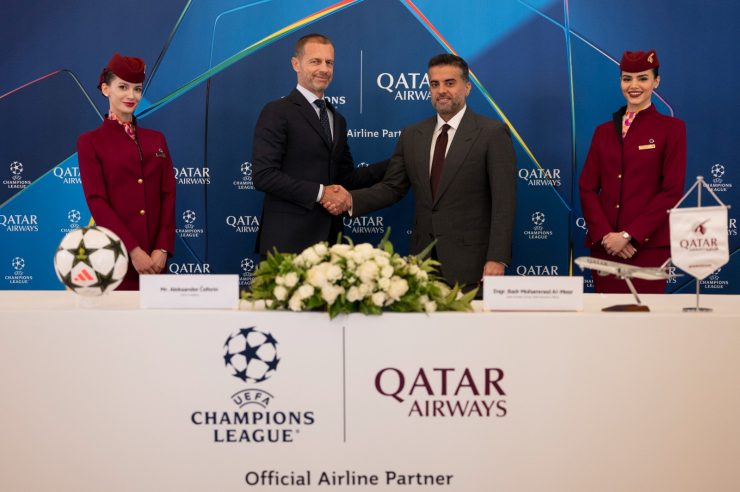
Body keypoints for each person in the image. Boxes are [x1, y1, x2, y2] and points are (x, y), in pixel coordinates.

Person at [322, 54, 517, 290]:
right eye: (434, 84)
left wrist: (497, 258)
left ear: (467, 87)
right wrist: (350, 200)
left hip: (472, 265)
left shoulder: (492, 133)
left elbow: (504, 202)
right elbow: (392, 187)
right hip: (422, 263)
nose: (441, 90)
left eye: (449, 83)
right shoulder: (413, 135)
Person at [252, 33, 387, 256]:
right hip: (287, 243)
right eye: (315, 61)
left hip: (331, 242)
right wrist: (321, 193)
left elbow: (346, 179)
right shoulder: (277, 111)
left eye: (329, 62)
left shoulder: (337, 119)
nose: (324, 69)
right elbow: (263, 175)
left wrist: (399, 161)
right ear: (296, 64)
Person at [579, 50, 686, 293]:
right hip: (606, 249)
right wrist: (606, 235)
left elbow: (671, 191)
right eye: (627, 79)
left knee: (646, 315)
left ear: (656, 82)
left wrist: (629, 235)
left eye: (643, 78)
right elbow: (587, 187)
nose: (634, 86)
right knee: (606, 314)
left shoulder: (672, 129)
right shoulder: (603, 132)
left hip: (647, 248)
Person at [77, 53, 176, 290]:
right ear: (105, 89)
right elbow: (97, 201)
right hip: (116, 256)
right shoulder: (90, 142)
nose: (131, 96)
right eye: (123, 87)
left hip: (156, 261)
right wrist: (132, 249)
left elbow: (168, 195)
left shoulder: (156, 139)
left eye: (137, 89)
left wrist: (163, 248)